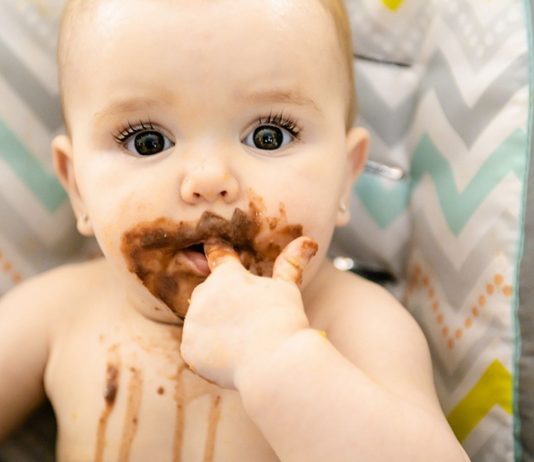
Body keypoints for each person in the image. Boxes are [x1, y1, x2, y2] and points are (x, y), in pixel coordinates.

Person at [0, 0, 470, 460]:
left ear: (346, 177)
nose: (208, 179)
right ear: (78, 187)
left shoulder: (354, 326)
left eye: (270, 135)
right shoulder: (58, 314)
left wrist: (278, 359)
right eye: (147, 141)